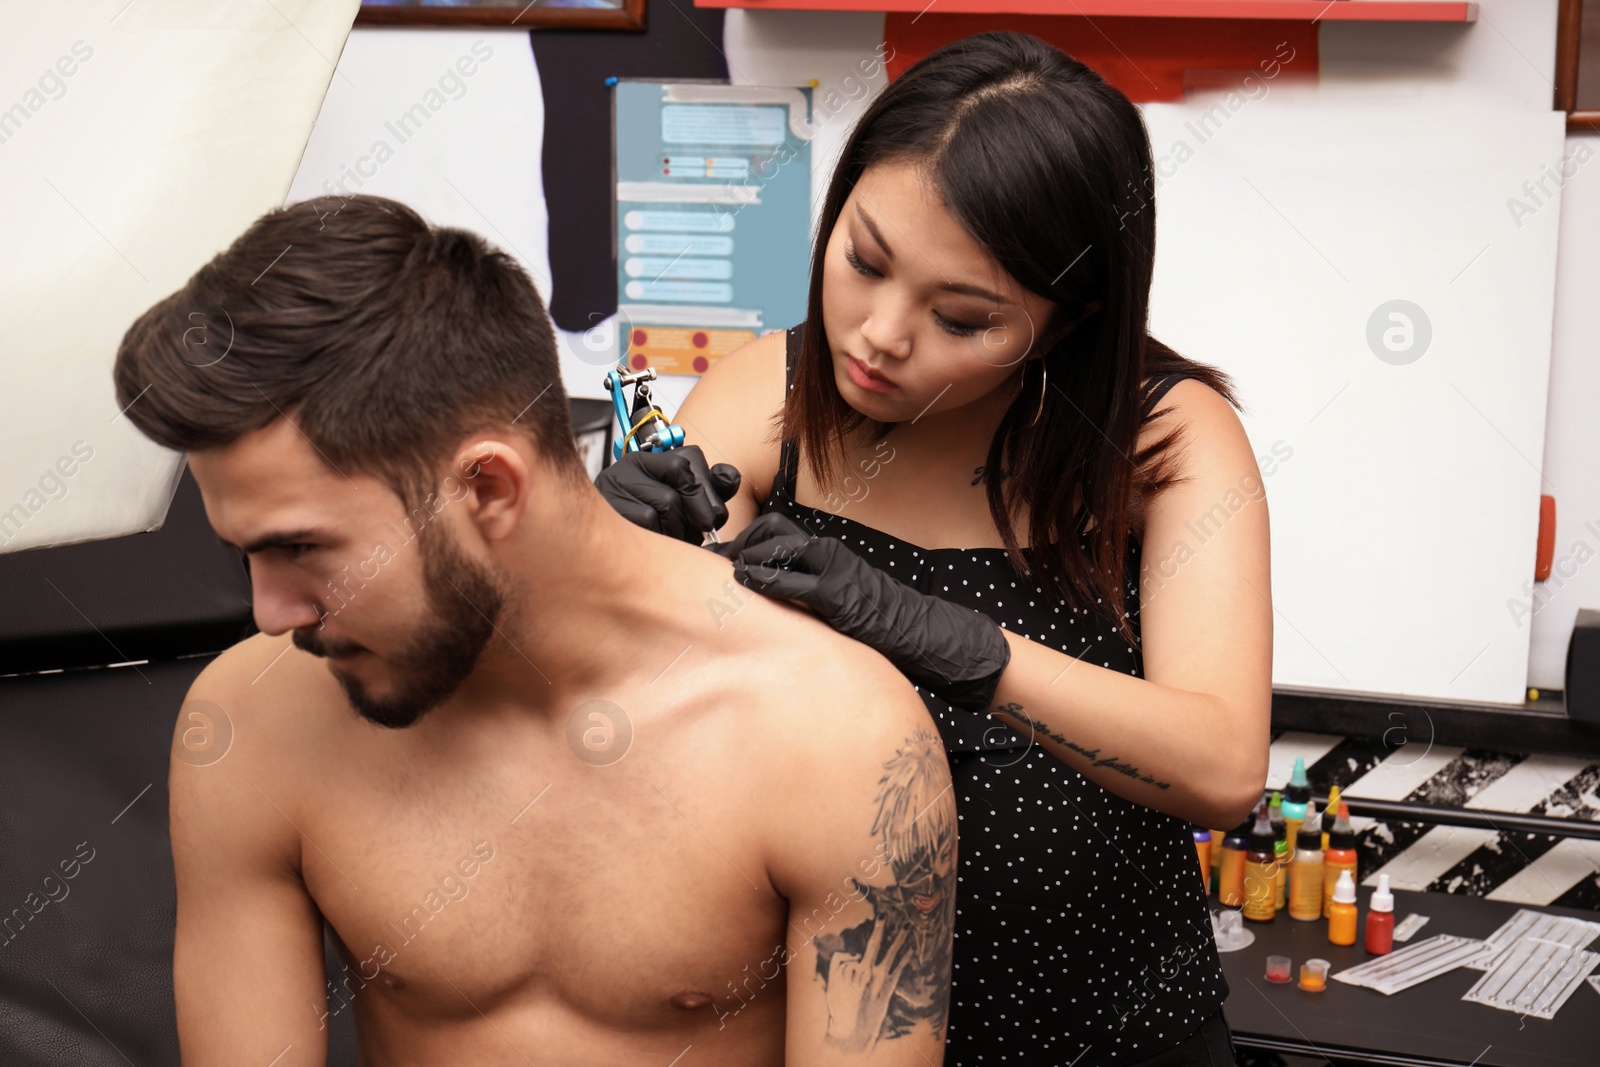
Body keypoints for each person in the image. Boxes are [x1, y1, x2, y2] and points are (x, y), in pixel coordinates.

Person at [112, 195, 956, 1066]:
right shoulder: (249, 721)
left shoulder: (838, 734)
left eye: (301, 548)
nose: (270, 613)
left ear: (488, 489)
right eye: (244, 554)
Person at [597, 30, 1272, 1065]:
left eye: (961, 316)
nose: (877, 334)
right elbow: (657, 707)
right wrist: (604, 554)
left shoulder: (1159, 439)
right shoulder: (766, 394)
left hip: (1113, 1032)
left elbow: (1222, 767)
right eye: (863, 259)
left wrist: (956, 641)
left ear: (1064, 322)